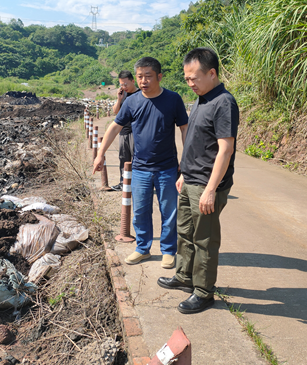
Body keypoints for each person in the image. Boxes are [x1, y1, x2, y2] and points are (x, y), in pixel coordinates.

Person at [157, 47, 239, 314]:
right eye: (186, 78)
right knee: (185, 232)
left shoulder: (223, 102)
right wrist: (183, 174)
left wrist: (211, 189)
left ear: (212, 73)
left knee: (204, 239)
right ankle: (185, 275)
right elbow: (195, 143)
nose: (189, 83)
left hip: (206, 185)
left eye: (194, 78)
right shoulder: (202, 99)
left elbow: (225, 149)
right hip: (190, 180)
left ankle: (204, 292)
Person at [93, 57, 188, 269]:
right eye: (140, 77)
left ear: (159, 77)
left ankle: (168, 251)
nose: (143, 81)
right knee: (140, 211)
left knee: (169, 211)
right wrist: (100, 154)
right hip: (140, 168)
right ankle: (143, 248)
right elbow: (115, 127)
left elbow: (184, 129)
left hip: (167, 167)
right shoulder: (132, 101)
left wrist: (185, 160)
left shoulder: (173, 99)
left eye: (148, 76)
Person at [111, 70, 139, 192]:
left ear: (133, 81)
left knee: (136, 158)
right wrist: (119, 99)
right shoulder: (123, 95)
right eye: (121, 84)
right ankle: (123, 182)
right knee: (123, 157)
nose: (124, 87)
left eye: (126, 84)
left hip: (137, 132)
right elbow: (116, 112)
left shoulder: (141, 94)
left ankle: (136, 184)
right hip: (124, 131)